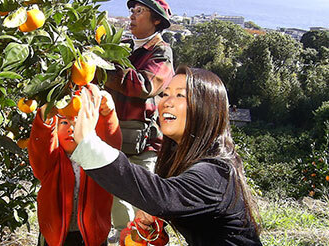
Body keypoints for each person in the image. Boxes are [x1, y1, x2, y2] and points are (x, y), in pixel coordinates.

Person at [71, 66, 263, 245]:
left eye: (180, 95)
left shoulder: (216, 172)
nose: (166, 102)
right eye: (165, 94)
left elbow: (161, 197)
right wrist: (152, 228)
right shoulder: (180, 159)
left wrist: (90, 145)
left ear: (207, 109)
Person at [104, 0, 175, 240]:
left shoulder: (161, 52)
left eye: (140, 11)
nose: (133, 16)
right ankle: (125, 233)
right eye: (132, 11)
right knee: (114, 188)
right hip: (114, 132)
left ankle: (149, 238)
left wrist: (103, 71)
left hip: (143, 139)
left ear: (156, 20)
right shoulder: (122, 47)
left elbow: (144, 85)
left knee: (143, 196)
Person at [27, 92, 122, 246]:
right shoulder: (51, 161)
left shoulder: (97, 159)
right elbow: (40, 148)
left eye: (79, 122)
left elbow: (111, 142)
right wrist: (45, 121)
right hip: (55, 238)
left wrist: (107, 114)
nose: (72, 128)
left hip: (93, 237)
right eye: (64, 123)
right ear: (55, 129)